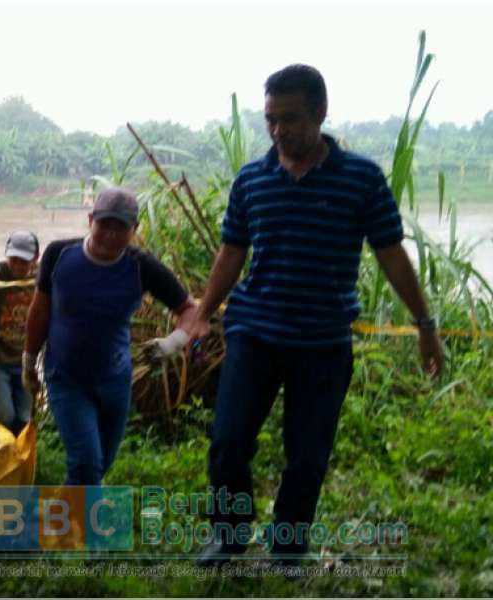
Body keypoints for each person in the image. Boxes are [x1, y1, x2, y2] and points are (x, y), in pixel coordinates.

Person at [189, 65, 444, 567]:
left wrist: (426, 326)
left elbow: (392, 255)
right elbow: (231, 253)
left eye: (291, 118)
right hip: (254, 330)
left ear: (321, 114)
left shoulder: (362, 179)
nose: (279, 130)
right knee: (228, 443)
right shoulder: (252, 179)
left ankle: (288, 547)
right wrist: (202, 312)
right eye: (270, 120)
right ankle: (228, 536)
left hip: (323, 340)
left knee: (306, 455)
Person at [22, 187, 197, 485]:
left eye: (122, 228)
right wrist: (28, 360)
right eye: (105, 225)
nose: (112, 235)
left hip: (115, 380)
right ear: (90, 220)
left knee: (99, 465)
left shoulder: (142, 266)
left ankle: (59, 518)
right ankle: (73, 529)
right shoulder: (59, 255)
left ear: (135, 229)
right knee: (87, 464)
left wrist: (173, 343)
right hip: (65, 377)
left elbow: (189, 310)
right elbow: (39, 311)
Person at [0, 230, 39, 435]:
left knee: (24, 418)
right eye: (13, 260)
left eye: (24, 261)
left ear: (35, 259)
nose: (18, 266)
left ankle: (15, 461)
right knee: (2, 415)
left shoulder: (42, 279)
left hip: (24, 362)